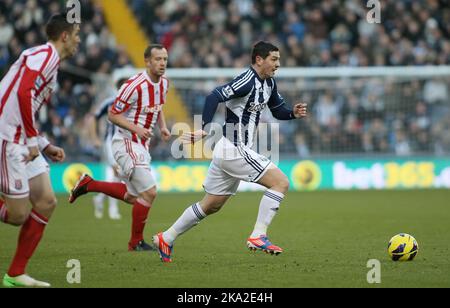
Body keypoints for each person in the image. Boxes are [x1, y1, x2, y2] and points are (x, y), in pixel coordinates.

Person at [152, 41, 308, 263]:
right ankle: (258, 235)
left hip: (228, 150)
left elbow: (277, 110)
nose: (277, 64)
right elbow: (214, 95)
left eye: (278, 59)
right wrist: (204, 127)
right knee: (281, 182)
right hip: (235, 149)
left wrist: (292, 113)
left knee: (211, 205)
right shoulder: (246, 81)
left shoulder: (269, 83)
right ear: (259, 60)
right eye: (273, 59)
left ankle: (166, 237)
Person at [0, 12, 80, 287]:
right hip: (8, 137)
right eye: (77, 35)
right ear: (65, 36)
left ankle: (15, 274)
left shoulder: (51, 65)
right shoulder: (44, 55)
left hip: (25, 138)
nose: (78, 41)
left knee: (46, 201)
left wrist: (43, 143)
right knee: (17, 215)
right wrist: (34, 140)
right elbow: (23, 93)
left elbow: (28, 105)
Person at [68, 44, 171, 251]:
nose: (162, 63)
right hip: (126, 142)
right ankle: (135, 243)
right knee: (149, 193)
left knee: (134, 197)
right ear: (147, 62)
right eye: (158, 59)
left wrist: (163, 127)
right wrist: (137, 129)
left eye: (165, 59)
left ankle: (89, 184)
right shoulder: (133, 86)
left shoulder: (164, 84)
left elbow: (158, 107)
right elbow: (112, 115)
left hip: (142, 144)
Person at [89, 78, 129, 220]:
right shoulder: (110, 102)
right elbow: (94, 116)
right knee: (117, 172)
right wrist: (94, 137)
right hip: (110, 141)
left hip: (126, 143)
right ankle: (113, 209)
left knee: (118, 175)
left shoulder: (133, 103)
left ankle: (99, 198)